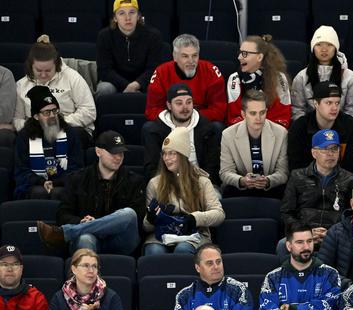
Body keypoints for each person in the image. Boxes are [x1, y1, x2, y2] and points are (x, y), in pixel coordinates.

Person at [38, 131, 144, 256]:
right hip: (87, 237)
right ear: (98, 152)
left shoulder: (135, 181)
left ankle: (64, 233)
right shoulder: (77, 179)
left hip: (120, 240)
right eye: (113, 152)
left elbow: (138, 217)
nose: (118, 157)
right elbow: (63, 214)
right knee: (85, 238)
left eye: (121, 153)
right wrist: (81, 222)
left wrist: (95, 222)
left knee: (129, 213)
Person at [143, 126, 224, 255]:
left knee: (183, 249)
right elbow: (146, 226)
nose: (167, 158)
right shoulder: (154, 183)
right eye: (164, 153)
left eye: (172, 153)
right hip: (162, 235)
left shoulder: (202, 181)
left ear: (182, 155)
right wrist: (151, 218)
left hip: (193, 234)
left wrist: (194, 218)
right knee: (154, 251)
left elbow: (219, 214)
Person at [280, 128, 353, 236]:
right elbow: (287, 212)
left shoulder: (351, 180)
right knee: (282, 245)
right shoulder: (297, 177)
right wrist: (306, 233)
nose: (330, 154)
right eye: (325, 149)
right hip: (304, 235)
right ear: (314, 153)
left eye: (334, 149)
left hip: (336, 236)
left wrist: (333, 233)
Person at [14, 85, 84, 200]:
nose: (52, 116)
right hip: (34, 185)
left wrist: (56, 182)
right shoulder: (24, 136)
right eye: (46, 112)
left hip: (63, 183)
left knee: (59, 193)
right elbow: (21, 171)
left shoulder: (69, 133)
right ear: (36, 116)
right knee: (39, 192)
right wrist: (40, 181)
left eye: (54, 111)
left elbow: (77, 168)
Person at [14, 35, 96, 134]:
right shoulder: (21, 84)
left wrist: (58, 123)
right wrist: (37, 126)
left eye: (48, 70)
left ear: (56, 65)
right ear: (31, 66)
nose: (43, 75)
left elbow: (89, 111)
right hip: (35, 131)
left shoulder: (72, 77)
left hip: (69, 128)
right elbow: (17, 119)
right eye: (39, 70)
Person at [141, 81, 221, 181]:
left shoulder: (207, 128)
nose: (185, 107)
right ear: (169, 105)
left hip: (201, 182)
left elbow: (212, 167)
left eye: (189, 102)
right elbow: (152, 169)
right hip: (168, 184)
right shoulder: (155, 130)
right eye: (179, 103)